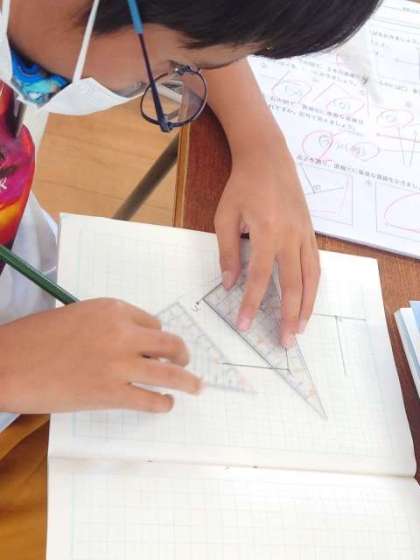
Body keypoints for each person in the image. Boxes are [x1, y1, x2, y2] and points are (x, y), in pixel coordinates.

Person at [0, 1, 381, 558]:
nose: (172, 81)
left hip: (37, 303)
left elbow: (193, 22)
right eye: (176, 69)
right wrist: (12, 367)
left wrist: (262, 144)